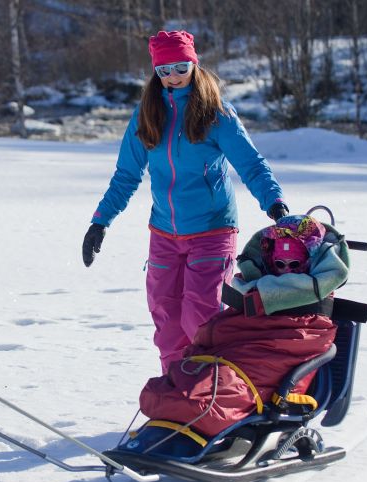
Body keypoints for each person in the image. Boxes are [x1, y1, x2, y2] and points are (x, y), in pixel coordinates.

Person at [82, 30, 290, 373]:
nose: (173, 77)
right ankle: (176, 398)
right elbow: (126, 175)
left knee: (201, 318)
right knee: (167, 322)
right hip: (164, 233)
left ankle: (210, 394)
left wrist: (274, 203)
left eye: (180, 67)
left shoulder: (216, 112)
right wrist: (100, 222)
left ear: (193, 63)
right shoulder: (147, 113)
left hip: (213, 229)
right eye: (164, 71)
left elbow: (251, 164)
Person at [138, 214, 350, 439]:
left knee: (198, 401)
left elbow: (284, 348)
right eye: (279, 263)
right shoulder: (250, 293)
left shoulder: (311, 320)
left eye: (295, 264)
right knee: (169, 390)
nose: (286, 270)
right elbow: (218, 335)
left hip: (259, 372)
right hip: (229, 364)